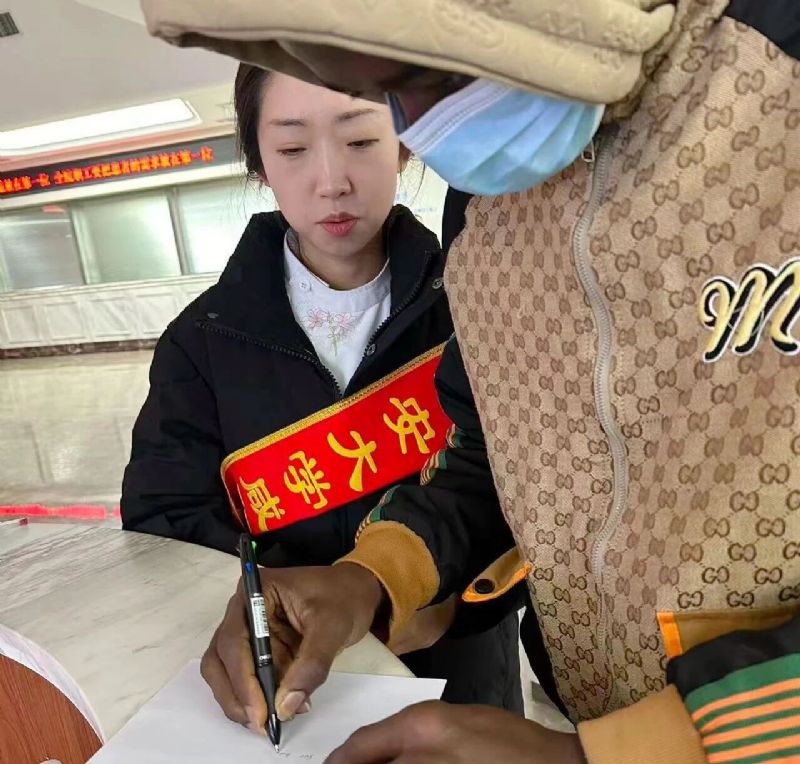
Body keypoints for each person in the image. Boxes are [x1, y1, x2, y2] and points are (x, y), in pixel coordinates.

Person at [141, 1, 800, 762]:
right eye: (383, 90)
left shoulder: (776, 75)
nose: (421, 123)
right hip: (585, 704)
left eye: (418, 70)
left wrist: (626, 752)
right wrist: (371, 578)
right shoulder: (484, 210)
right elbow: (495, 458)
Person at [120, 67, 523, 715]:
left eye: (360, 141)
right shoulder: (200, 343)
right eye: (292, 148)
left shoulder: (479, 301)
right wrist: (274, 604)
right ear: (259, 163)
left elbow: (528, 487)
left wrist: (442, 603)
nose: (331, 180)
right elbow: (164, 519)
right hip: (289, 671)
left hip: (459, 668)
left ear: (404, 144)